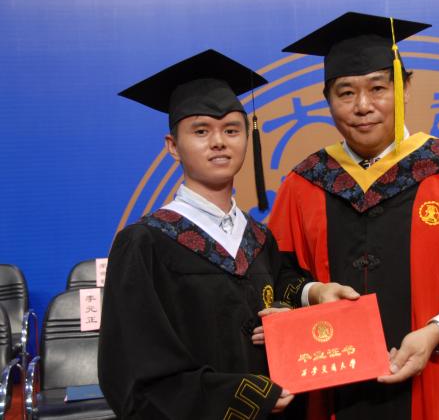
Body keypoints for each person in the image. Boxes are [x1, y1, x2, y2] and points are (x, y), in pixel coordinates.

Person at [268, 12, 439, 419]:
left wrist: (438, 332)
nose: (363, 106)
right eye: (345, 93)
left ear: (405, 88)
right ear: (327, 100)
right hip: (331, 388)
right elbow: (276, 277)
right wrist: (312, 292)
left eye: (378, 88)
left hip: (433, 380)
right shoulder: (305, 184)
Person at [98, 49, 349, 419]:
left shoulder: (259, 239)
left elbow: (284, 289)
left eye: (231, 130)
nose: (219, 141)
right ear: (173, 147)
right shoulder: (144, 243)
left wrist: (308, 300)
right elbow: (133, 374)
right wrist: (242, 395)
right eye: (201, 131)